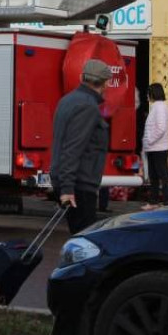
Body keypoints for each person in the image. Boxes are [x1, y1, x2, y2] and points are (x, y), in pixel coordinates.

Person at [51, 59, 112, 234]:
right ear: (106, 83)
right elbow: (73, 149)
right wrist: (68, 189)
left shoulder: (67, 100)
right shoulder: (88, 106)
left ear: (81, 77)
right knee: (84, 244)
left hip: (70, 181)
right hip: (80, 185)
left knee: (81, 240)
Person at [142, 83, 168, 210]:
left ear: (153, 93)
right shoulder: (157, 107)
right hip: (155, 147)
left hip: (158, 148)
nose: (147, 96)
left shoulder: (159, 107)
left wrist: (149, 140)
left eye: (148, 93)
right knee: (154, 176)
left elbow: (160, 128)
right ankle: (154, 201)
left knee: (162, 175)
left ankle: (167, 201)